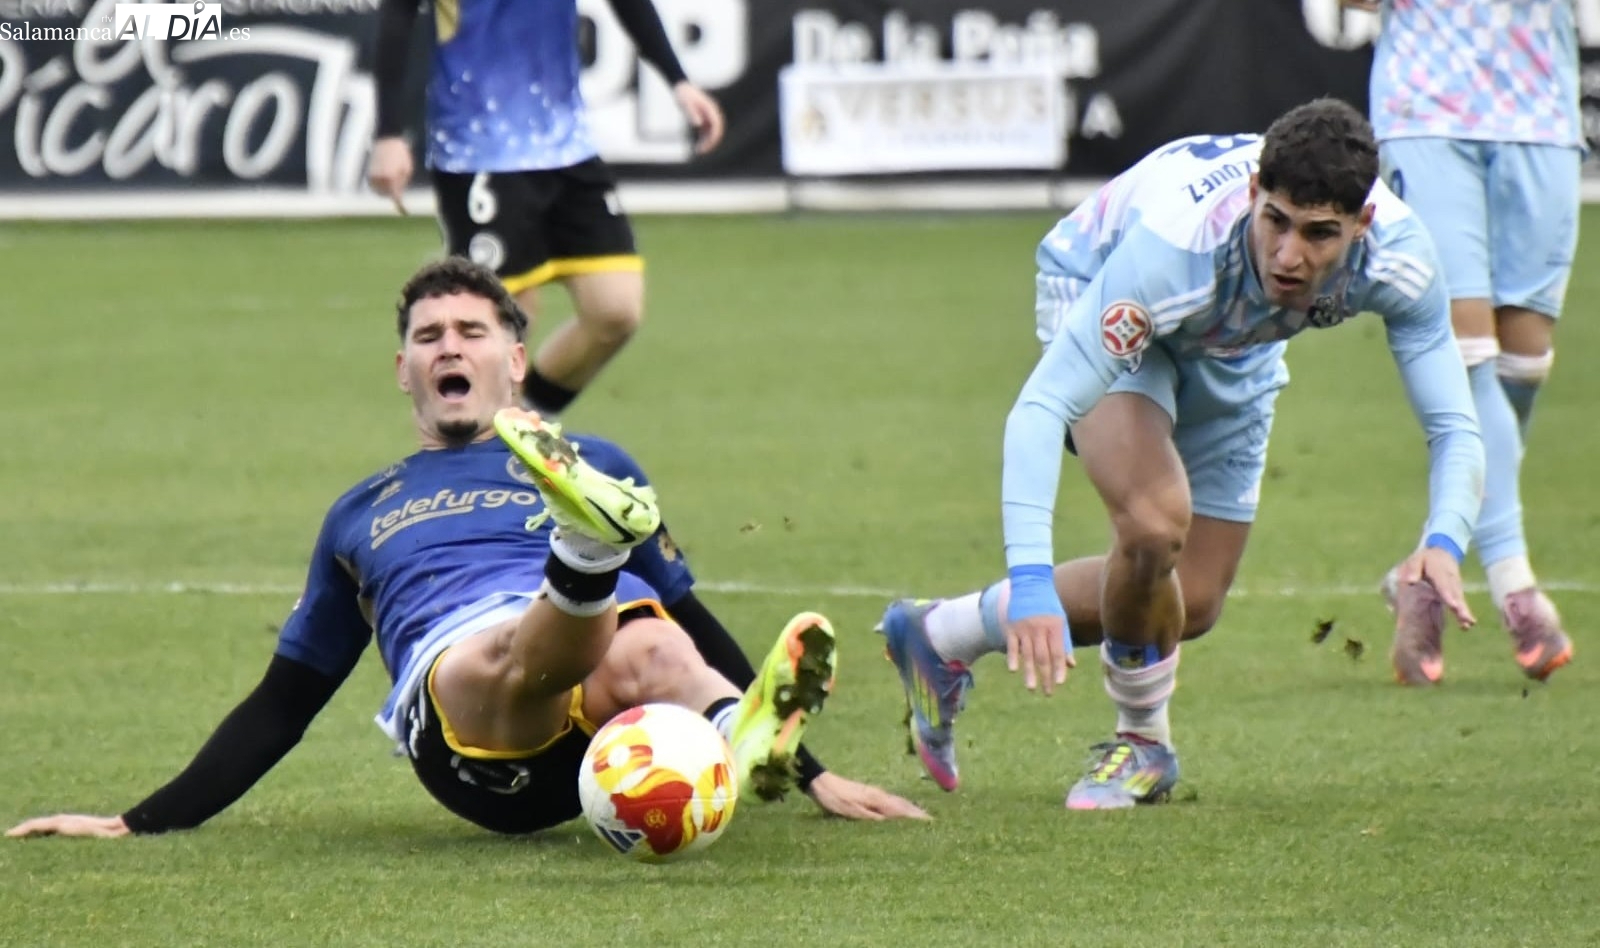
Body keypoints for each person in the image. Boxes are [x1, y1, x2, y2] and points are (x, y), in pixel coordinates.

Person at [7, 259, 926, 841]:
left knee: (652, 643)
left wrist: (815, 774)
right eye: (427, 337)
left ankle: (731, 735)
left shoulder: (599, 461)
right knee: (504, 652)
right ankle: (585, 555)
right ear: (404, 369)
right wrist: (138, 820)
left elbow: (694, 623)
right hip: (473, 738)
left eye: (472, 332)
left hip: (600, 708)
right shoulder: (360, 511)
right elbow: (284, 704)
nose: (449, 347)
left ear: (516, 360)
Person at [877, 98, 1485, 809]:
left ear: (1363, 224)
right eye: (1277, 222)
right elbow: (1039, 411)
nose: (1291, 255)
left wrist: (1444, 539)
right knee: (1154, 523)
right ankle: (1143, 744)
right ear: (1254, 194)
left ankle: (939, 631)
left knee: (1186, 603)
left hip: (1238, 341)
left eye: (1320, 234)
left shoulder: (1403, 262)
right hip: (1104, 290)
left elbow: (1454, 426)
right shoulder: (1174, 252)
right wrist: (1031, 578)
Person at [1350, 0, 1581, 684]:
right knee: (1468, 357)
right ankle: (1518, 590)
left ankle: (1426, 563)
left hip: (1540, 111)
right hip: (1428, 107)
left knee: (1524, 360)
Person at [365, 0, 726, 418]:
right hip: (480, 151)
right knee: (498, 327)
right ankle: (464, 464)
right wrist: (389, 133)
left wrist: (678, 80)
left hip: (568, 147)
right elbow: (397, 16)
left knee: (615, 310)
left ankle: (527, 424)